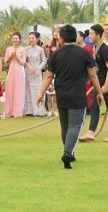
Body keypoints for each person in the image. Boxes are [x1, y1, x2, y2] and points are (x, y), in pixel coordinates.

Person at [37, 24, 102, 169]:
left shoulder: (56, 55)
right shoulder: (84, 53)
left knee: (65, 126)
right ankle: (68, 153)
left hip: (62, 94)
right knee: (76, 125)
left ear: (61, 38)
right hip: (78, 94)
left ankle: (69, 152)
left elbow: (48, 77)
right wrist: (100, 93)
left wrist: (41, 93)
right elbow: (92, 74)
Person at [82, 24, 108, 142]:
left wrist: (106, 85)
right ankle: (91, 132)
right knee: (94, 106)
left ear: (98, 35)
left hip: (106, 84)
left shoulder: (104, 49)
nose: (90, 36)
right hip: (97, 82)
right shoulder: (94, 47)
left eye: (92, 33)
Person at [3, 32, 27, 118]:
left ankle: (18, 111)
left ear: (19, 40)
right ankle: (9, 110)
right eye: (13, 38)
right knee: (10, 89)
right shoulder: (9, 49)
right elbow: (6, 61)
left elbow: (23, 62)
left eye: (16, 38)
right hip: (11, 70)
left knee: (19, 90)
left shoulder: (23, 49)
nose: (14, 40)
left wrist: (16, 57)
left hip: (19, 71)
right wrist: (11, 56)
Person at [24, 32, 47, 117]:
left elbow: (44, 60)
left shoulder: (40, 49)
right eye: (29, 38)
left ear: (36, 39)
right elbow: (24, 60)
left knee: (37, 90)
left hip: (37, 72)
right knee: (28, 90)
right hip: (28, 72)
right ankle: (29, 110)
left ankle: (39, 110)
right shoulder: (26, 49)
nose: (31, 40)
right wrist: (28, 65)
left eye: (32, 38)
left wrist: (39, 69)